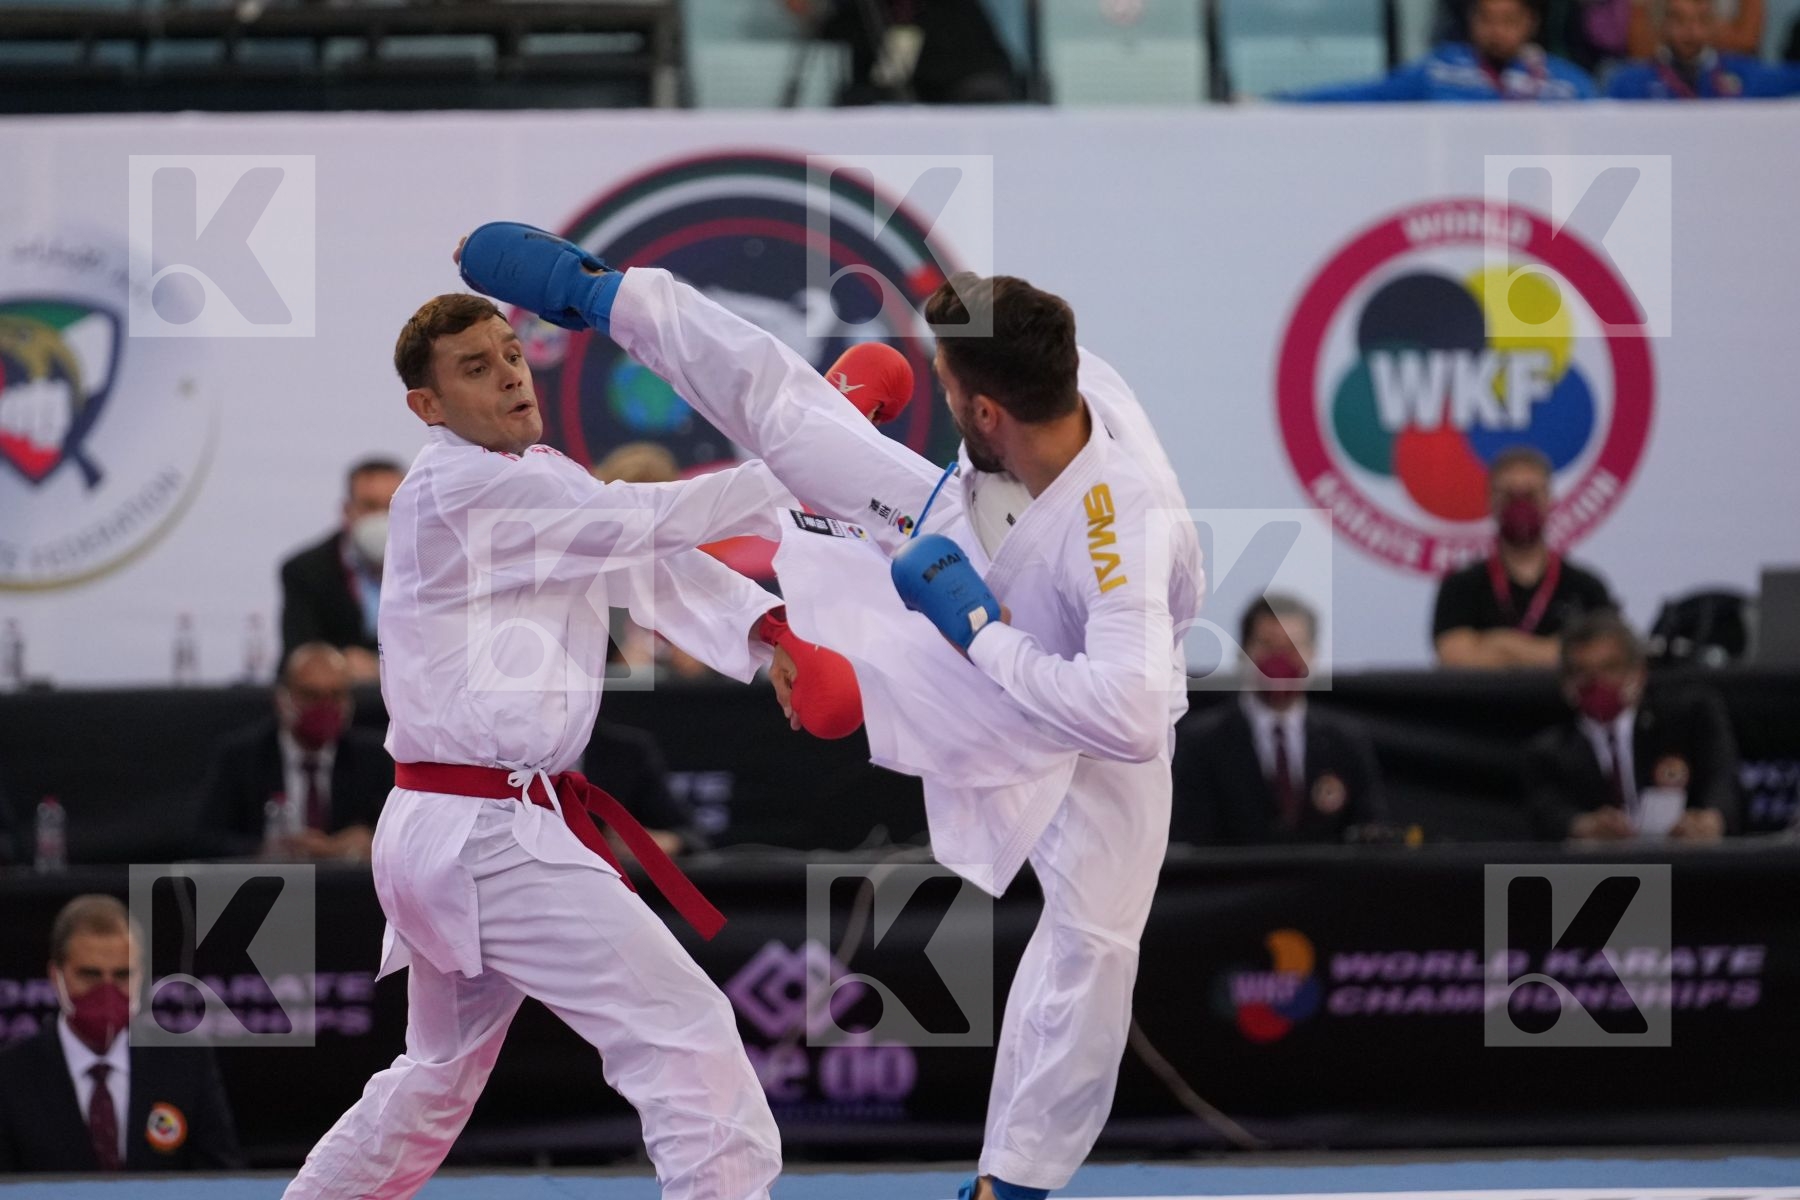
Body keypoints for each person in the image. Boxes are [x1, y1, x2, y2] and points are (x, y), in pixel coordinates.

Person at [456, 222, 1204, 1200]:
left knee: (1095, 946)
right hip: (964, 530)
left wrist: (982, 633)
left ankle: (1013, 1183)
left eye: (945, 392)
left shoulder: (1119, 534)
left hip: (1067, 694)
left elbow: (1131, 715)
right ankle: (603, 295)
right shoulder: (1055, 372)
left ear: (985, 410)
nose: (936, 398)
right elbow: (942, 345)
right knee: (797, 423)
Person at [282, 291, 860, 1200]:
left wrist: (769, 636)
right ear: (426, 408)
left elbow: (642, 564)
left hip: (455, 824)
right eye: (475, 368)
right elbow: (642, 527)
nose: (508, 373)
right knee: (687, 1036)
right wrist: (810, 451)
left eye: (511, 354)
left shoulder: (535, 478)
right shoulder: (463, 487)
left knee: (433, 1079)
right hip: (489, 834)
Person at [0, 895, 241, 1172]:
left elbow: (223, 1181)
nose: (107, 991)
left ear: (140, 977)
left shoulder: (186, 1062)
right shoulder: (10, 1074)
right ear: (56, 976)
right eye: (90, 975)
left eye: (122, 975)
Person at [1171, 596, 1385, 846]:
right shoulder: (1200, 742)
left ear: (1312, 654)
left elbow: (1371, 836)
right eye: (1267, 645)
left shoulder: (1345, 741)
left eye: (1292, 647)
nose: (1280, 660)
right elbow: (1188, 839)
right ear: (1244, 654)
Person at [1525, 611, 1739, 841]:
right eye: (1583, 672)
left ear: (1638, 673)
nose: (1598, 683)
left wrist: (1711, 820)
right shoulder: (1549, 752)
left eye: (1610, 668)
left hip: (1686, 865)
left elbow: (1724, 782)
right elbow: (1549, 812)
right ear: (1566, 684)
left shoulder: (1688, 719)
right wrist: (1583, 826)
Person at [196, 642, 392, 861]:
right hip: (270, 888)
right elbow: (205, 839)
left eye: (336, 695)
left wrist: (367, 842)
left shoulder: (374, 758)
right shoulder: (241, 757)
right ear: (282, 699)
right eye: (312, 695)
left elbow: (401, 837)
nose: (325, 707)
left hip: (344, 888)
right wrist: (263, 851)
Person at [1432, 446, 1615, 668]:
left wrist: (1500, 644)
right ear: (1491, 501)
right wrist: (1558, 650)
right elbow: (1455, 657)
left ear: (1549, 499)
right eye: (1509, 495)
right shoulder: (1461, 585)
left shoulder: (1586, 587)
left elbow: (1605, 659)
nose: (1520, 505)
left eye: (1530, 495)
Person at [1289, 0, 1597, 101]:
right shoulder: (1441, 69)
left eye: (1508, 21)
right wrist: (1279, 102)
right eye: (1486, 19)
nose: (1496, 31)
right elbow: (1366, 94)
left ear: (1530, 23)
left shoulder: (1566, 84)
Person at [279, 457, 405, 683]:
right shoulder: (306, 571)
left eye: (391, 506)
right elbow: (299, 655)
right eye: (369, 506)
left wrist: (381, 668)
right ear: (347, 510)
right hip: (340, 702)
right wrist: (337, 663)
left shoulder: (436, 569)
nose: (380, 517)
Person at [1607, 0, 1800, 96]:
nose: (1692, 31)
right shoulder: (1629, 83)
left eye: (1702, 19)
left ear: (1716, 24)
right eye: (1679, 20)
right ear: (1661, 23)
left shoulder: (1743, 74)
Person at [1625, 0, 1763, 58]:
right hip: (1663, 68)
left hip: (1724, 65)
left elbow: (1747, 41)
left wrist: (1698, 32)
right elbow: (1642, 51)